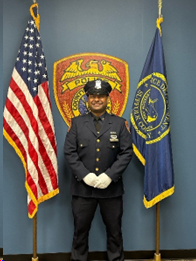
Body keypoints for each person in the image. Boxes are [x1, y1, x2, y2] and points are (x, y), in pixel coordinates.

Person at [64, 79, 133, 261]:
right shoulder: (76, 124)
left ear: (107, 98)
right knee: (80, 233)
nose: (96, 99)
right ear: (87, 98)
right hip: (82, 190)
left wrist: (109, 176)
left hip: (111, 190)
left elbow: (126, 153)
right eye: (93, 96)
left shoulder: (119, 124)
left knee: (115, 233)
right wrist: (85, 175)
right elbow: (69, 152)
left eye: (100, 96)